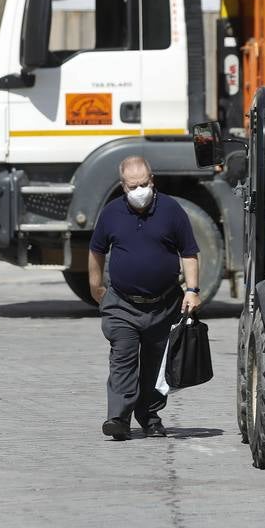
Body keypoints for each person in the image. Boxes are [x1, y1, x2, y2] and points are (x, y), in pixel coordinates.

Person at [89, 156, 201, 440]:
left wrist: (192, 289)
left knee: (155, 364)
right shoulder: (111, 213)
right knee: (123, 358)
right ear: (122, 186)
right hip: (122, 305)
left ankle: (149, 416)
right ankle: (118, 418)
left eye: (143, 184)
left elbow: (188, 252)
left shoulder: (172, 210)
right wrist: (95, 286)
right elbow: (96, 251)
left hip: (163, 305)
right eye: (132, 186)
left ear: (152, 181)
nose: (139, 190)